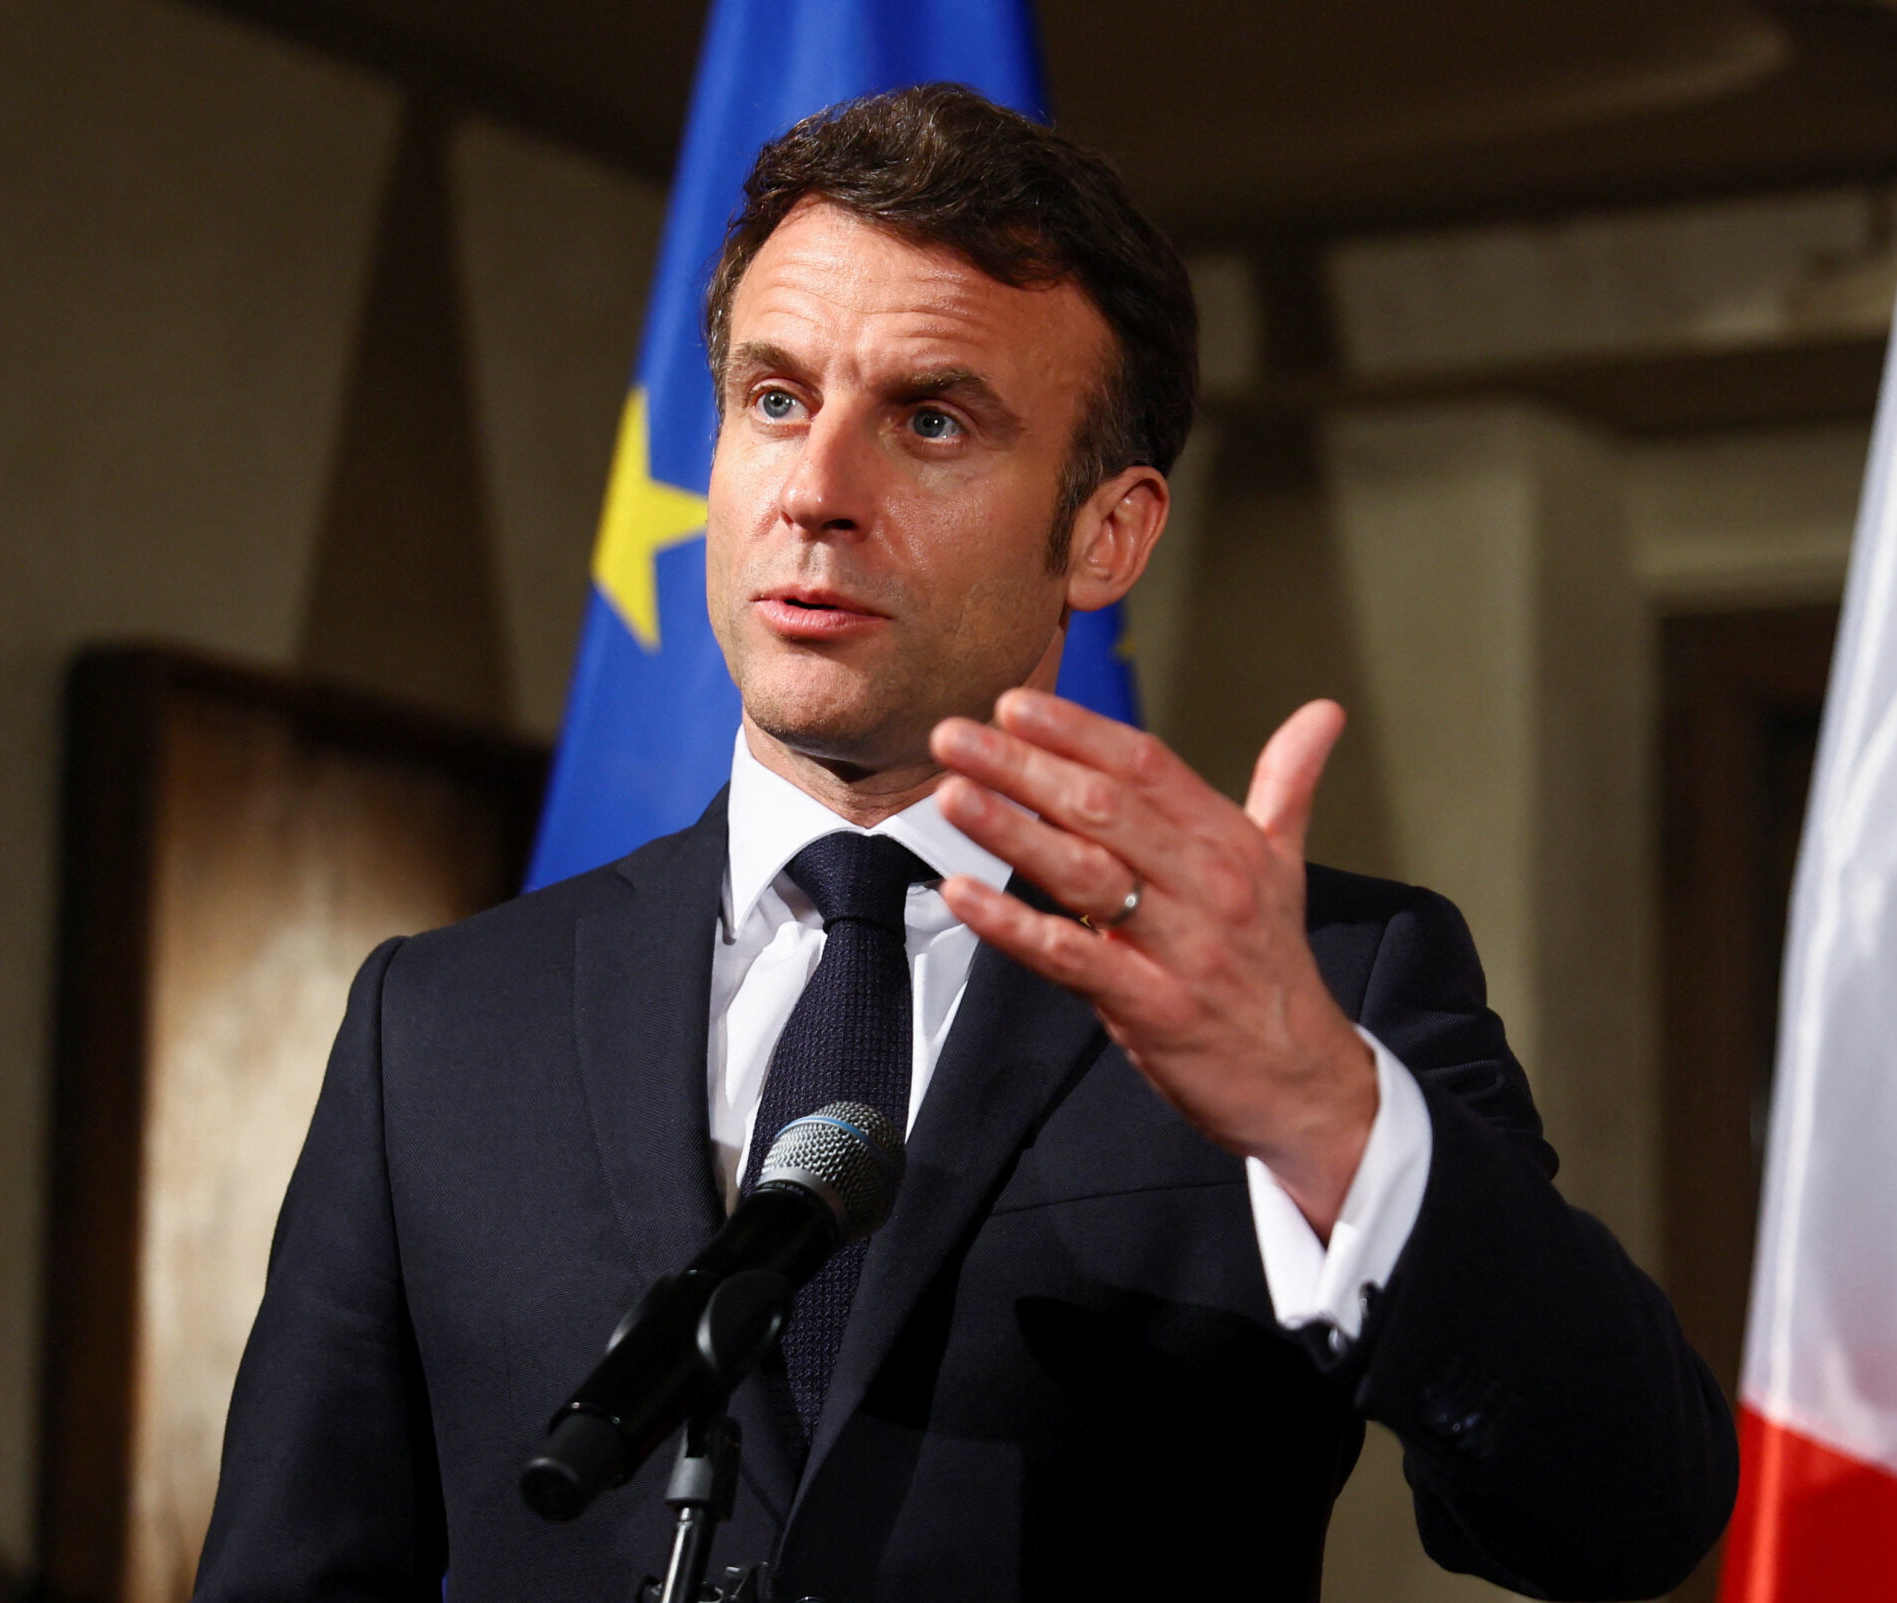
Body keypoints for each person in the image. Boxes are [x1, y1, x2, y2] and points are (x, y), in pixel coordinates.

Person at [193, 85, 1734, 1603]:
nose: (816, 492)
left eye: (930, 421)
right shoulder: (440, 1025)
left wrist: (1331, 1117)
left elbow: (1622, 1514)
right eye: (774, 401)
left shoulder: (1322, 989)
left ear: (1106, 533)